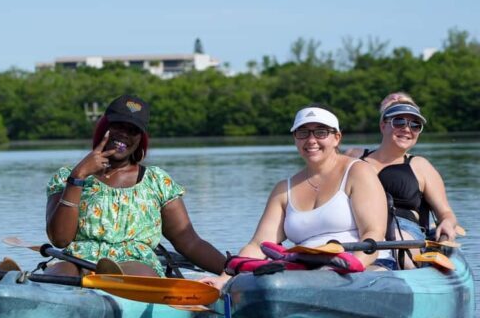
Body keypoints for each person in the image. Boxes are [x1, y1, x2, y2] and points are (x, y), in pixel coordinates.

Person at [206, 105, 390, 289]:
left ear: (336, 138)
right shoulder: (283, 189)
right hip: (306, 273)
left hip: (365, 269)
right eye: (303, 133)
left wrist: (347, 269)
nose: (311, 140)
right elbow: (257, 245)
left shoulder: (358, 171)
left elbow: (373, 234)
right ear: (295, 139)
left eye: (320, 132)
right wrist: (224, 279)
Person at [45, 94, 227, 277]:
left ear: (141, 138)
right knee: (58, 275)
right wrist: (78, 176)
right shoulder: (67, 177)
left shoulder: (157, 181)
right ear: (103, 127)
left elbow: (190, 243)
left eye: (132, 130)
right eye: (118, 126)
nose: (123, 134)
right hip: (79, 260)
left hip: (135, 265)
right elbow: (60, 239)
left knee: (125, 277)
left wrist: (231, 269)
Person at [346, 92, 458, 249]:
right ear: (383, 125)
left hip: (402, 231)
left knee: (395, 241)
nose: (407, 129)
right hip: (353, 228)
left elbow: (446, 213)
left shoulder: (421, 166)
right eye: (399, 122)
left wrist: (447, 223)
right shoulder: (354, 156)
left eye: (415, 125)